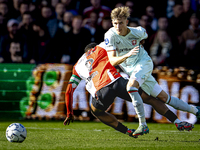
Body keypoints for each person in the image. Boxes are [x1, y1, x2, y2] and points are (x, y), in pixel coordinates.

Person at [63, 42, 194, 139]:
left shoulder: (77, 66)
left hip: (101, 91)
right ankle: (177, 121)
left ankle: (126, 131)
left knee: (96, 111)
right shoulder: (101, 46)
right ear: (93, 48)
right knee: (150, 99)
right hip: (118, 82)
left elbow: (69, 90)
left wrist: (69, 112)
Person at [104, 6, 200, 136]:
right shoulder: (110, 35)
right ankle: (195, 110)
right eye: (115, 23)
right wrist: (127, 54)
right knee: (165, 98)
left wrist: (139, 46)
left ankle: (142, 125)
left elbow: (145, 36)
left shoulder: (137, 32)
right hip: (133, 70)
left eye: (121, 22)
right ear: (112, 23)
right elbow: (112, 61)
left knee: (131, 87)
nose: (118, 26)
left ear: (127, 22)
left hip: (144, 63)